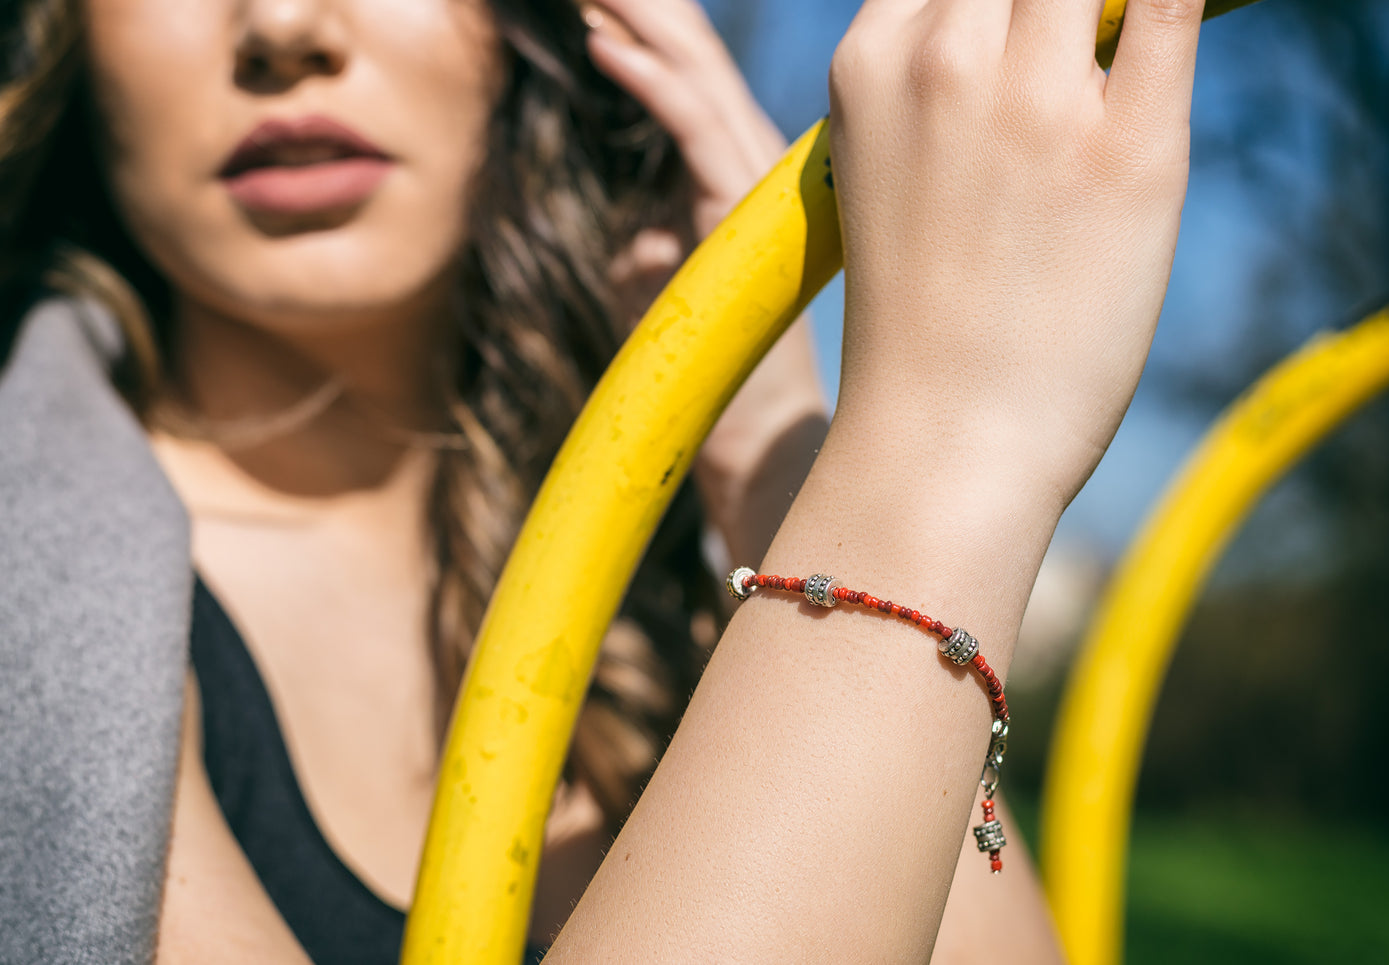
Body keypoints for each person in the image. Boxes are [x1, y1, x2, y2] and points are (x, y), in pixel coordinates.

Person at [0, 0, 1205, 961]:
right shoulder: (30, 596)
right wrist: (946, 445)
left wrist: (781, 454)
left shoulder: (701, 570)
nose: (282, 25)